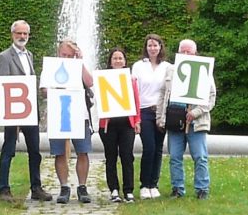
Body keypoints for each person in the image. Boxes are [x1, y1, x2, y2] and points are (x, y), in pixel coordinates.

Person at [0, 20, 53, 202]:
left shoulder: (29, 55)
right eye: (19, 33)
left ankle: (36, 187)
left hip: (30, 110)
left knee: (35, 151)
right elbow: (3, 84)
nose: (22, 37)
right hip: (13, 111)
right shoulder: (5, 57)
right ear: (12, 34)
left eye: (25, 34)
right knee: (9, 150)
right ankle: (4, 189)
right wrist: (12, 113)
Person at [158, 38, 216, 200]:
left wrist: (196, 112)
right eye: (182, 51)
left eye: (188, 51)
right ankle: (177, 188)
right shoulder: (171, 70)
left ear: (195, 53)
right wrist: (160, 117)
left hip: (196, 121)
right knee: (175, 157)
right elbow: (163, 94)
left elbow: (211, 97)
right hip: (175, 120)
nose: (185, 53)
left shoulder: (203, 70)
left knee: (200, 156)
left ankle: (202, 188)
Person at [49, 39, 95, 204]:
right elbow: (44, 91)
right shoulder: (52, 67)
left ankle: (82, 186)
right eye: (64, 55)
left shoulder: (78, 67)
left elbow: (90, 82)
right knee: (60, 152)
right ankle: (64, 187)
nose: (67, 58)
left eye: (70, 55)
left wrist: (80, 62)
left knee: (83, 151)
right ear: (58, 53)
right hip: (59, 115)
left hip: (79, 114)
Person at [130, 33, 170, 199]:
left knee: (159, 149)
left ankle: (154, 184)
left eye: (155, 45)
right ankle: (144, 184)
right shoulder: (138, 66)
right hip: (144, 110)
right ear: (146, 48)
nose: (152, 48)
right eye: (150, 45)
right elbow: (134, 91)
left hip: (161, 111)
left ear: (160, 47)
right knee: (149, 147)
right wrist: (136, 117)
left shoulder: (168, 67)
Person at [98, 47, 140, 203]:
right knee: (110, 157)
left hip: (126, 124)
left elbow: (136, 101)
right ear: (110, 61)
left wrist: (137, 121)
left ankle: (128, 190)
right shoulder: (103, 78)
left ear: (125, 61)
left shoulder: (131, 79)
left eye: (120, 58)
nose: (117, 61)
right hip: (108, 125)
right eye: (114, 58)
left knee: (127, 157)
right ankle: (114, 189)